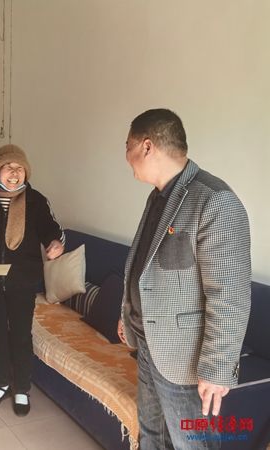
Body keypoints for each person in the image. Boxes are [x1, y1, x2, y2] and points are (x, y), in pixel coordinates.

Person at [118, 108, 251, 449]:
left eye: (128, 146)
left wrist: (217, 369)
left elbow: (229, 294)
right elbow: (146, 270)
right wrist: (129, 315)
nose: (126, 156)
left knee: (192, 444)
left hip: (186, 360)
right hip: (148, 346)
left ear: (147, 146)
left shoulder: (215, 200)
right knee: (152, 436)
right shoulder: (159, 196)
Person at [0, 144, 64, 416]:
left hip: (23, 280)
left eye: (20, 168)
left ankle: (22, 389)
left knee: (20, 335)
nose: (15, 173)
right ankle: (2, 383)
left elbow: (52, 229)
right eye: (9, 167)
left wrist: (55, 242)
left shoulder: (36, 201)